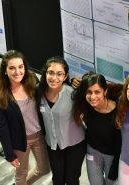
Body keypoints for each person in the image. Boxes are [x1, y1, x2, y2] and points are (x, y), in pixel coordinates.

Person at [0, 50, 50, 185]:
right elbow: (2, 127)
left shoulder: (32, 80)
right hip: (20, 140)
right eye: (12, 68)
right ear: (5, 71)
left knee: (44, 169)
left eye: (20, 67)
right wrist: (9, 154)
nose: (17, 71)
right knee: (21, 174)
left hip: (39, 135)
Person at [36, 56, 86, 185]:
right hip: (53, 145)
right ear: (45, 73)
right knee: (57, 180)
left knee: (71, 180)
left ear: (65, 76)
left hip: (75, 144)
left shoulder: (72, 94)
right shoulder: (38, 92)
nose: (54, 78)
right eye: (51, 73)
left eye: (59, 74)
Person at [72, 73, 122, 185]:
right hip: (93, 151)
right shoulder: (86, 105)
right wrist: (72, 81)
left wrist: (114, 172)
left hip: (112, 156)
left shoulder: (118, 112)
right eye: (89, 92)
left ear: (105, 91)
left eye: (97, 92)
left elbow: (120, 145)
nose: (93, 97)